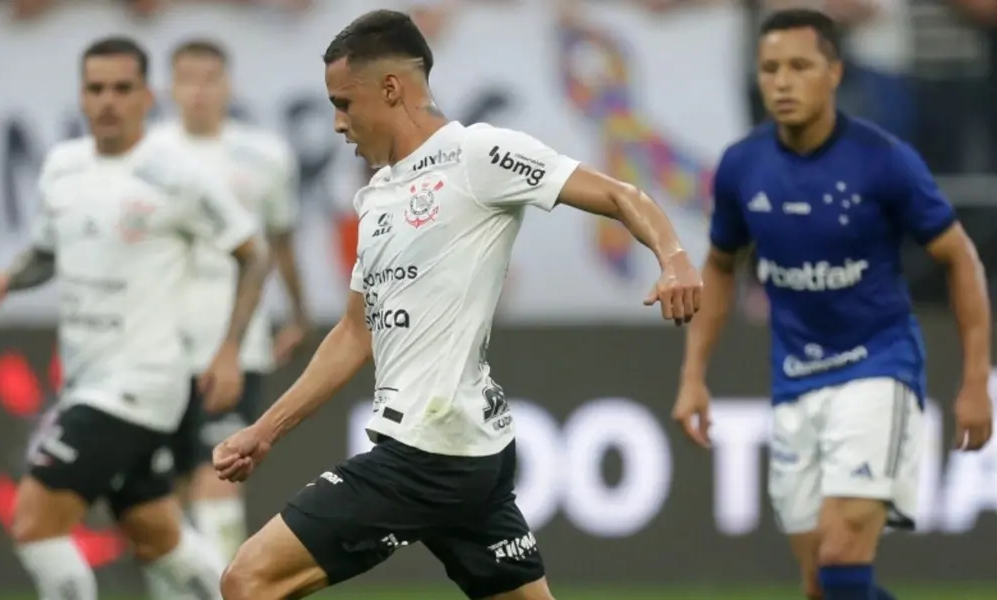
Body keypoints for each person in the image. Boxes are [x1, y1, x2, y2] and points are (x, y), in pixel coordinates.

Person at [211, 9, 703, 600]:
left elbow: (620, 195)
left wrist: (674, 257)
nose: (338, 123)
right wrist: (266, 430)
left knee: (248, 581)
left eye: (344, 103)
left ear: (390, 88)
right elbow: (355, 332)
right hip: (469, 451)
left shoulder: (478, 154)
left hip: (427, 453)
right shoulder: (377, 198)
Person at [672, 10, 993, 600]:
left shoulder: (883, 160)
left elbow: (960, 257)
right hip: (795, 381)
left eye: (800, 66)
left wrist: (976, 381)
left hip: (878, 369)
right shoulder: (742, 165)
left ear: (835, 72)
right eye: (770, 68)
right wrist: (694, 376)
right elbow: (720, 264)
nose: (783, 82)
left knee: (843, 556)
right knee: (822, 582)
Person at [0, 36, 270, 600]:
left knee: (34, 523)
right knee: (156, 535)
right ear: (82, 96)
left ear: (146, 97)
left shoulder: (176, 174)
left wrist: (229, 348)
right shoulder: (63, 168)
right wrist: (7, 280)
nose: (108, 100)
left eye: (122, 88)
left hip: (140, 383)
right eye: (96, 88)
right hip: (86, 379)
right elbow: (46, 254)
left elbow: (252, 254)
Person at [154, 38, 308, 570]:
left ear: (229, 85)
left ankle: (228, 587)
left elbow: (280, 241)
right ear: (169, 88)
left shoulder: (265, 156)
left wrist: (298, 313)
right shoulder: (148, 156)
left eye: (209, 78)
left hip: (235, 343)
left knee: (217, 473)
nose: (199, 91)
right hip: (158, 343)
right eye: (187, 79)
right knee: (166, 491)